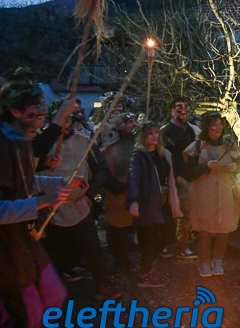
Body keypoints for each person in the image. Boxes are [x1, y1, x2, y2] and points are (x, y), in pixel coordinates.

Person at [0, 69, 76, 328]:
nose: (40, 117)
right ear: (15, 111)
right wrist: (42, 202)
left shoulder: (21, 141)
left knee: (54, 297)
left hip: (24, 241)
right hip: (6, 248)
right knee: (28, 317)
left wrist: (57, 184)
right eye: (34, 112)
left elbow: (25, 183)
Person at [38, 102, 121, 300]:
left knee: (93, 249)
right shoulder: (39, 145)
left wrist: (88, 195)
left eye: (68, 119)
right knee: (54, 253)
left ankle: (102, 283)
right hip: (51, 210)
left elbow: (102, 169)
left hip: (79, 206)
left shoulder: (84, 142)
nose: (65, 124)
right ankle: (54, 293)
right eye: (61, 119)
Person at [183, 112, 240, 277]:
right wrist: (205, 167)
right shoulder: (198, 146)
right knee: (205, 229)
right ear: (206, 127)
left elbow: (239, 165)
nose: (218, 128)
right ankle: (203, 262)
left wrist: (235, 168)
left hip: (225, 190)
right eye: (213, 125)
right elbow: (189, 172)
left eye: (219, 124)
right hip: (203, 192)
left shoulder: (229, 145)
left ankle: (218, 260)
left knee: (224, 227)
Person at [127, 121, 181, 289]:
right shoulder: (138, 156)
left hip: (163, 201)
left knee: (168, 235)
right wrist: (133, 200)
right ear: (143, 137)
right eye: (150, 133)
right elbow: (133, 178)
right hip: (148, 202)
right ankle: (145, 273)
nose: (154, 136)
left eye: (156, 133)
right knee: (149, 239)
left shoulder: (162, 153)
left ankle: (147, 264)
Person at [159, 97, 198, 260]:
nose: (183, 110)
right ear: (172, 110)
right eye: (179, 107)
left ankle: (182, 245)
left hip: (189, 177)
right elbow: (162, 157)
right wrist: (175, 176)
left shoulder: (190, 130)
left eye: (185, 106)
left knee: (186, 212)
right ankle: (166, 245)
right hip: (173, 179)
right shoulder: (166, 132)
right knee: (170, 213)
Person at [101, 112, 138, 277]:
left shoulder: (137, 145)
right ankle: (120, 263)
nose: (134, 125)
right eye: (130, 122)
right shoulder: (112, 148)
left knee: (129, 230)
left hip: (134, 194)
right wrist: (118, 187)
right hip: (118, 197)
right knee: (119, 232)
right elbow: (106, 172)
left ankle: (127, 260)